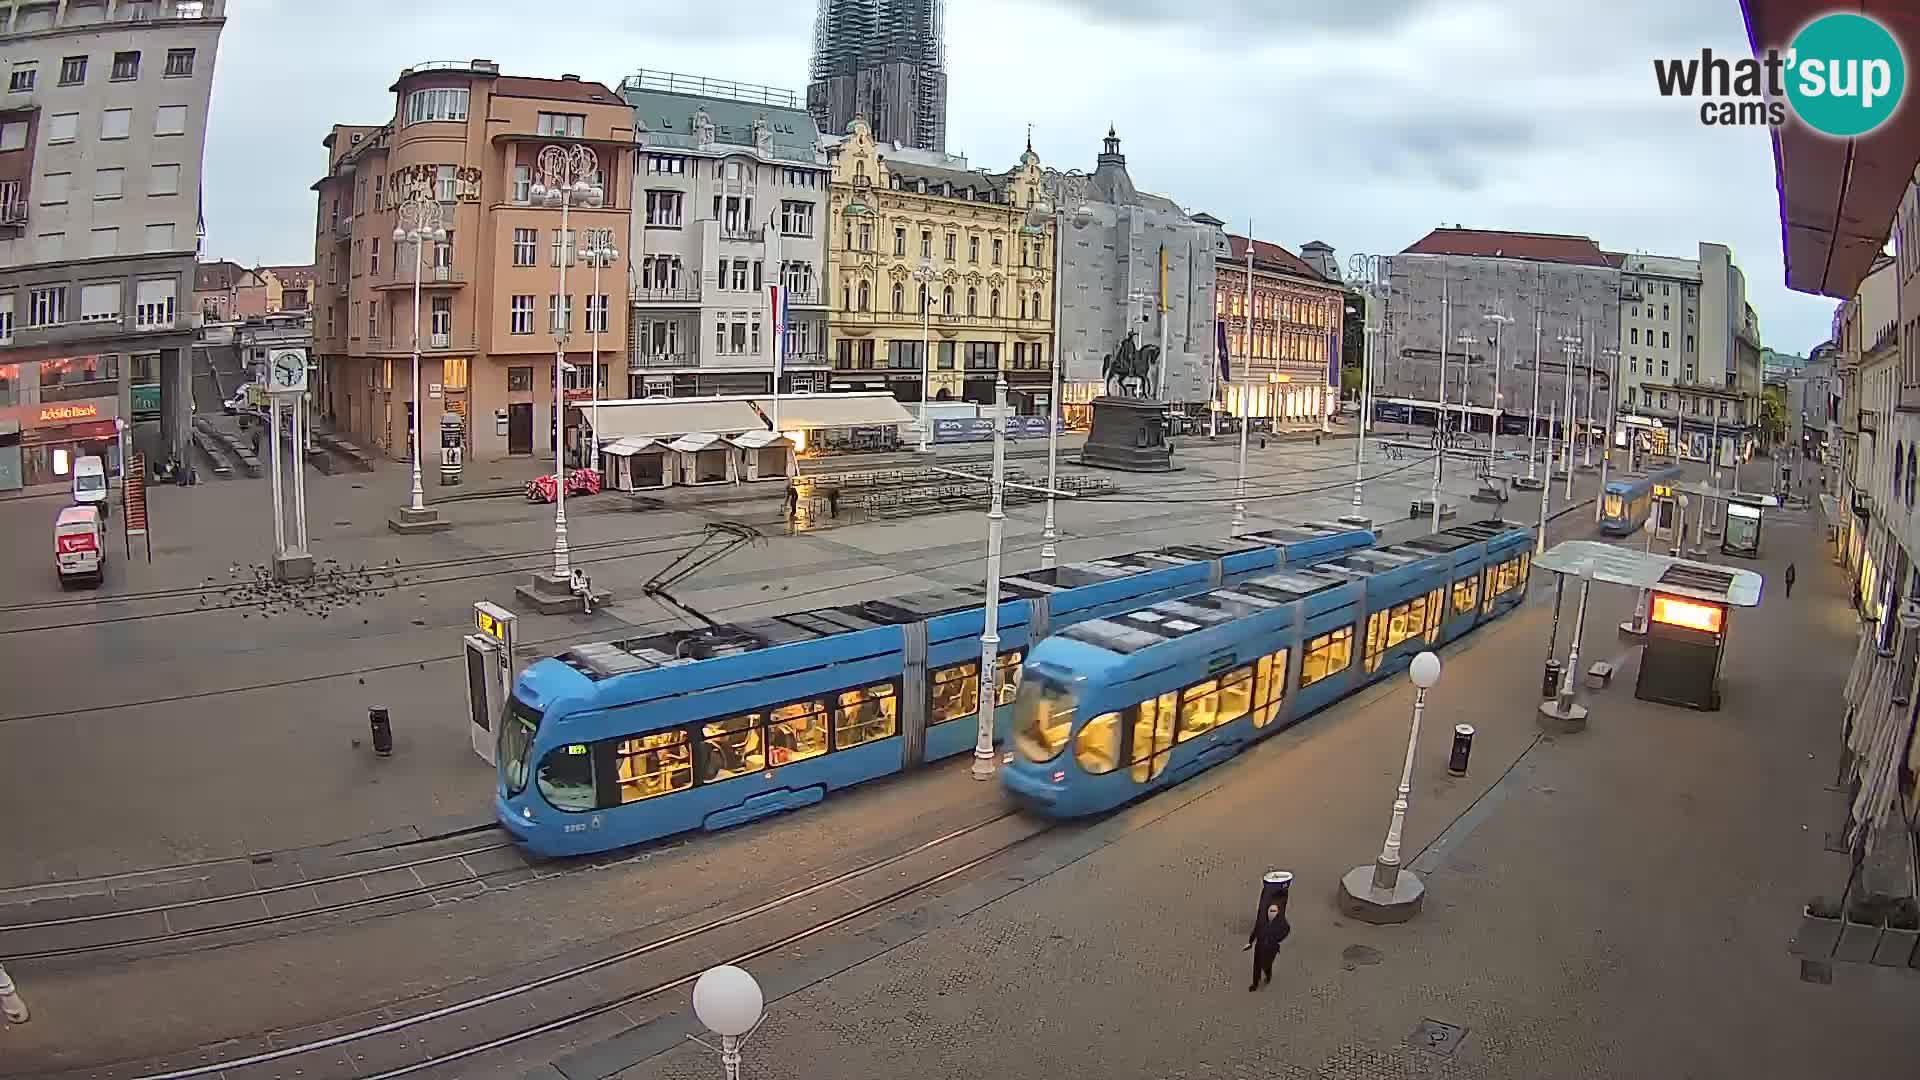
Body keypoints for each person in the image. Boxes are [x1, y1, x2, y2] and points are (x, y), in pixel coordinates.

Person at [1245, 899, 1290, 991]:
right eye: (1270, 910)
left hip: (1271, 947)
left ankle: (1268, 976)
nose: (1272, 912)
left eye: (1274, 911)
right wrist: (1250, 942)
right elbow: (1255, 930)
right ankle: (1255, 984)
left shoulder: (1281, 922)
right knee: (1257, 965)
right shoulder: (1262, 920)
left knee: (1266, 965)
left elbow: (1286, 930)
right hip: (1260, 945)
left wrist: (1277, 938)